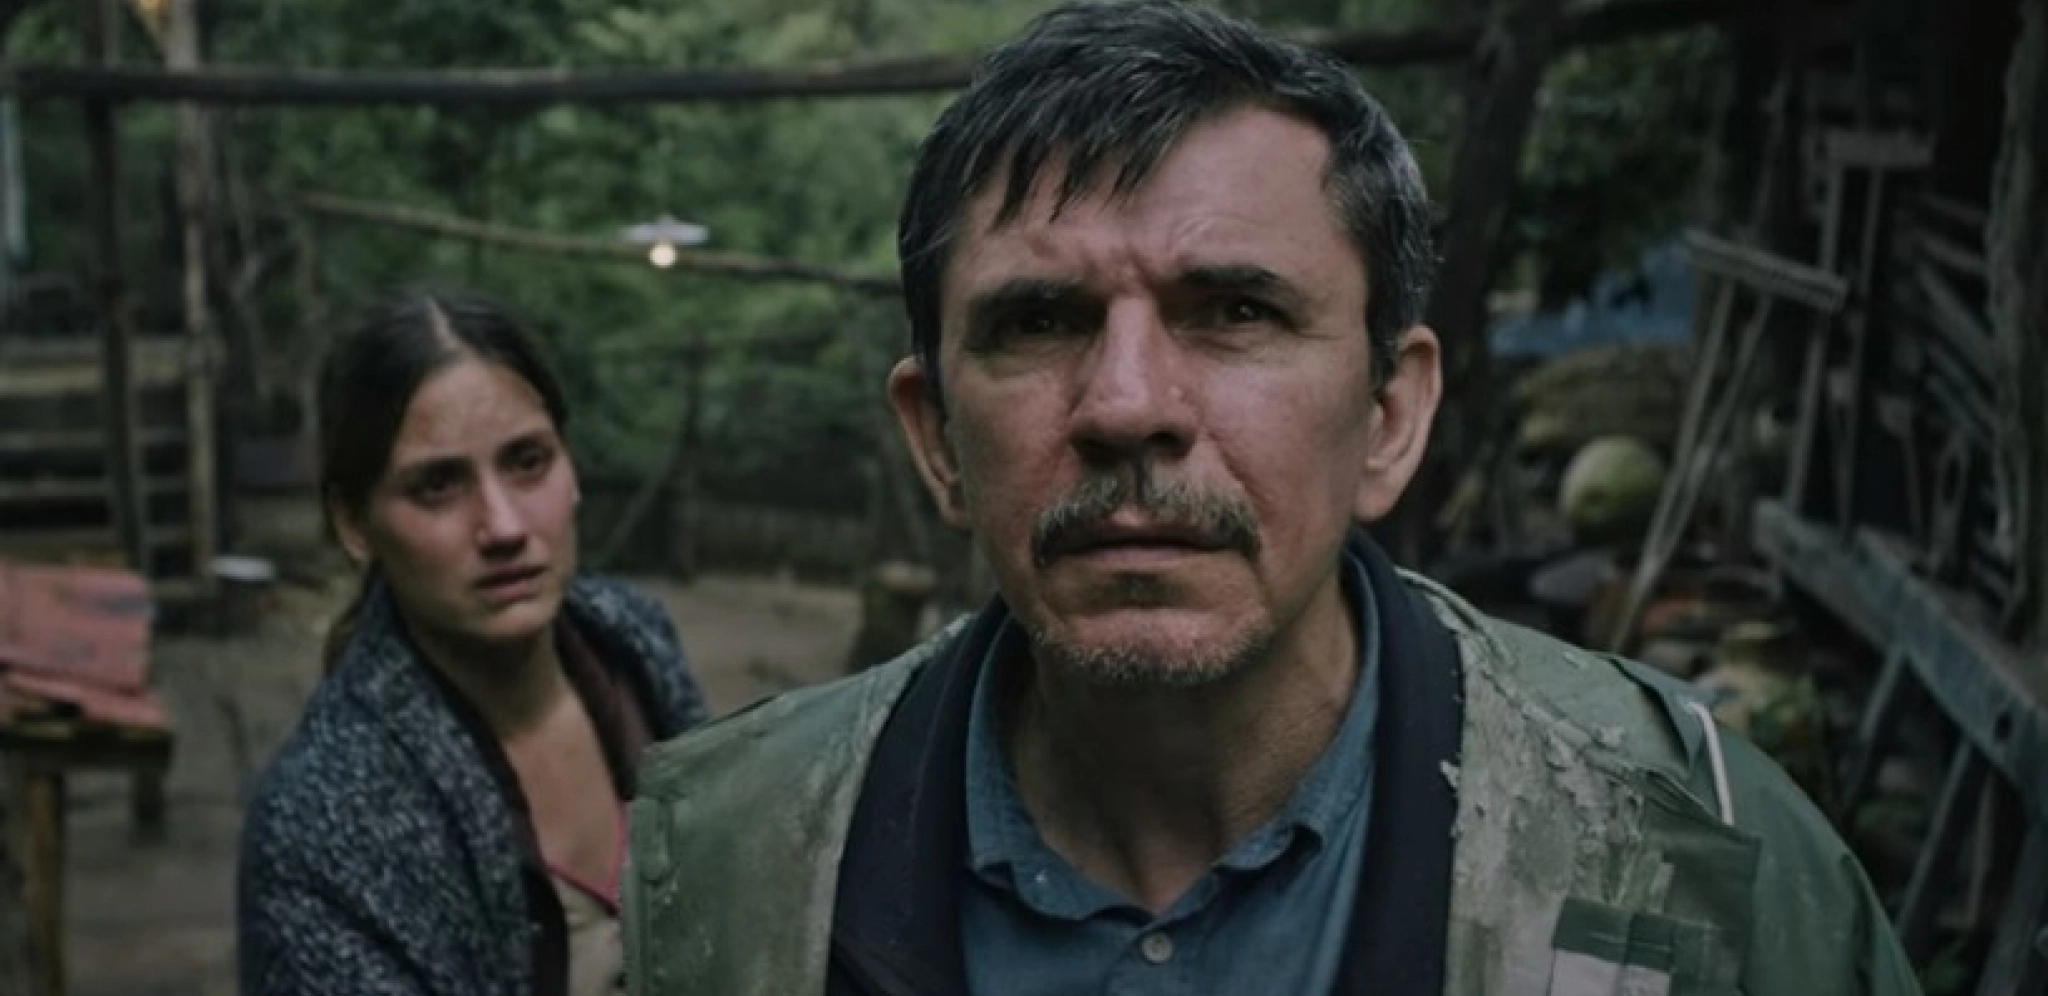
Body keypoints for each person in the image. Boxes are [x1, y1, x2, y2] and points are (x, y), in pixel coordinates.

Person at [624, 3, 1920, 995]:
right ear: (937, 440)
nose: (1127, 404)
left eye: (1236, 311)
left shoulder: (1695, 858)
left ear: (1390, 416)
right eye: (1041, 320)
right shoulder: (740, 860)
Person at [240, 291, 708, 996]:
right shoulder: (319, 830)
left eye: (528, 461)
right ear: (353, 524)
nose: (504, 527)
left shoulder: (633, 643)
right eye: (437, 485)